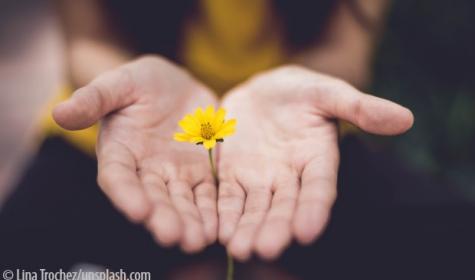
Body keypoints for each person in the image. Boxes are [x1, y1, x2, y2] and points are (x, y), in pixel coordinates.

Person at [9, 1, 467, 277]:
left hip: (291, 142)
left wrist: (303, 83)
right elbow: (87, 40)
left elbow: (345, 50)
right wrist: (118, 86)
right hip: (130, 137)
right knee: (18, 259)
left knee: (454, 241)